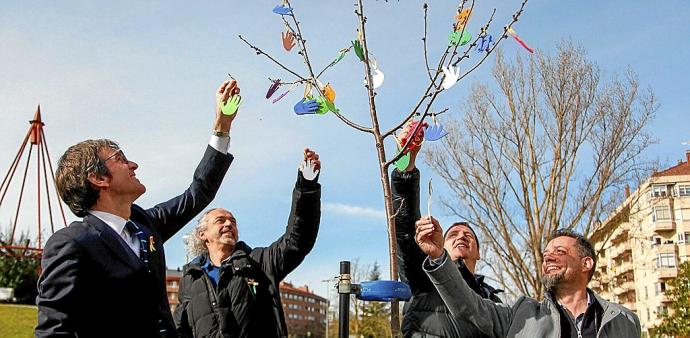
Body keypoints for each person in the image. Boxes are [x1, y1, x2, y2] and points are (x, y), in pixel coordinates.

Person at [35, 80, 241, 337]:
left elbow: (198, 193)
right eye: (120, 159)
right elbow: (54, 330)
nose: (133, 164)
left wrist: (222, 126)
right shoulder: (73, 243)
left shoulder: (145, 223)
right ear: (98, 178)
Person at [174, 149, 321, 337]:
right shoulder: (190, 279)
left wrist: (306, 185)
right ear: (203, 234)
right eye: (220, 220)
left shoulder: (259, 262)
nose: (229, 224)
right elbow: (179, 329)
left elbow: (297, 240)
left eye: (233, 222)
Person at [416, 217, 641, 338]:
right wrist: (438, 256)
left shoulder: (624, 320)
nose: (549, 258)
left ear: (586, 263)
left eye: (560, 252)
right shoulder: (521, 315)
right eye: (546, 254)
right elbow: (468, 306)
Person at [392, 121, 502, 337]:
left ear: (479, 253)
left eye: (468, 235)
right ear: (442, 244)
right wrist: (406, 165)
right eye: (453, 234)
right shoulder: (424, 275)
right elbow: (404, 229)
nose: (461, 236)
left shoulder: (492, 299)